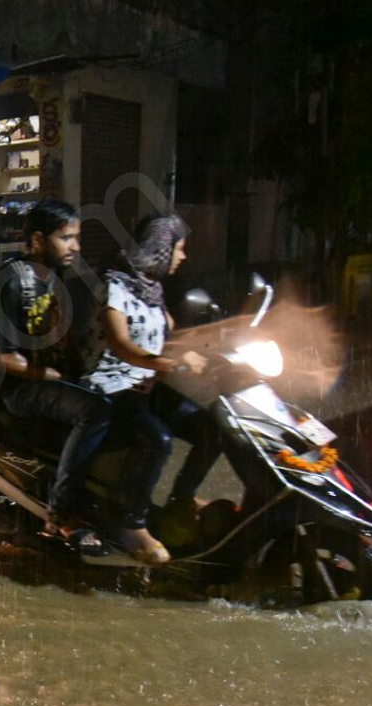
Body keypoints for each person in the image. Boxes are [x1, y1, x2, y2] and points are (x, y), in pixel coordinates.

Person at [81, 214, 219, 565]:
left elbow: (171, 338)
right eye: (179, 248)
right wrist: (164, 362)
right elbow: (122, 344)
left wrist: (216, 345)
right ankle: (133, 523)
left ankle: (181, 500)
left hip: (147, 384)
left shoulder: (153, 291)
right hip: (112, 387)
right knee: (158, 438)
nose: (182, 256)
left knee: (213, 427)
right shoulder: (113, 287)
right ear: (159, 249)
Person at [0, 199, 112, 550]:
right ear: (38, 240)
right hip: (16, 389)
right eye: (67, 238)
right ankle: (62, 514)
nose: (76, 246)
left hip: (44, 379)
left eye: (77, 237)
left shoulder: (54, 278)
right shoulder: (11, 282)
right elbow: (1, 358)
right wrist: (48, 376)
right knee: (94, 412)